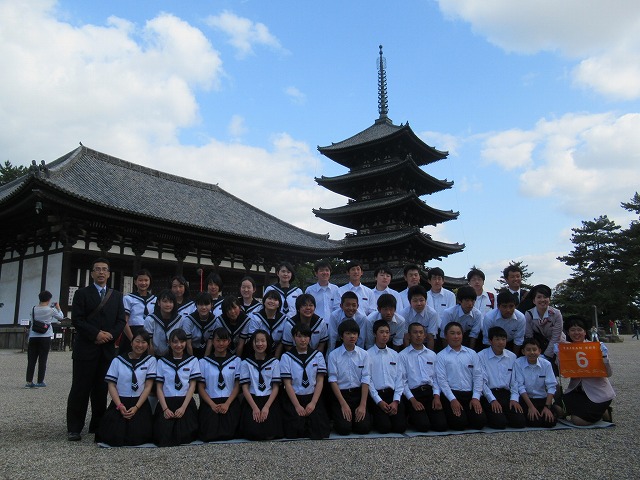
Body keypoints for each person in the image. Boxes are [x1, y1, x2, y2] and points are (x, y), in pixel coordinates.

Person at [66, 258, 126, 442]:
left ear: (109, 274)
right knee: (80, 388)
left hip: (106, 349)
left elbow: (121, 320)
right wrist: (96, 334)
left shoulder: (116, 296)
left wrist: (110, 335)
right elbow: (77, 319)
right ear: (92, 273)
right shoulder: (82, 294)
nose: (101, 272)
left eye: (104, 269)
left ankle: (97, 424)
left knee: (101, 389)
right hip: (86, 347)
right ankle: (74, 427)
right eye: (97, 269)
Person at [98, 330, 157, 446]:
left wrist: (136, 407)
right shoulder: (118, 361)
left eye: (144, 342)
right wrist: (119, 405)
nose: (140, 345)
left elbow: (148, 387)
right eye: (137, 341)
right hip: (120, 402)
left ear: (148, 345)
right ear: (131, 342)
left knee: (139, 435)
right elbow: (111, 385)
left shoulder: (150, 361)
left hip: (139, 403)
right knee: (112, 435)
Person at [555, 317, 615, 425]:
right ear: (568, 332)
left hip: (597, 393)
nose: (576, 333)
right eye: (572, 330)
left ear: (585, 332)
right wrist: (558, 357)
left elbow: (609, 373)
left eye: (579, 330)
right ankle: (592, 411)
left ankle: (604, 412)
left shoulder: (596, 347)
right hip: (577, 391)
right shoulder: (567, 349)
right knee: (557, 409)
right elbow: (563, 373)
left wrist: (604, 357)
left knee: (577, 421)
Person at [280, 323, 331, 439]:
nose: (303, 340)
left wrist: (313, 403)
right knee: (293, 430)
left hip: (313, 396)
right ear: (293, 338)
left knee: (319, 430)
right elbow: (287, 384)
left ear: (310, 338)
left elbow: (320, 381)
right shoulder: (286, 357)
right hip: (294, 397)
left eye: (306, 336)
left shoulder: (317, 355)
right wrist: (297, 406)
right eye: (299, 336)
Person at [435, 322, 486, 431]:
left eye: (459, 333)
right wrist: (452, 399)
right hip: (452, 394)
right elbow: (442, 381)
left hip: (470, 394)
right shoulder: (441, 356)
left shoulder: (472, 354)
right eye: (452, 333)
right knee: (459, 424)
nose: (456, 336)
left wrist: (476, 397)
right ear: (446, 336)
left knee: (480, 423)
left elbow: (478, 376)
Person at [154, 329, 201, 447]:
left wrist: (183, 408)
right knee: (162, 435)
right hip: (167, 402)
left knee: (186, 435)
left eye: (182, 342)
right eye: (175, 342)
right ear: (169, 343)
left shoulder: (192, 361)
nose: (179, 345)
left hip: (185, 402)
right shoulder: (162, 362)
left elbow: (192, 386)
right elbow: (159, 387)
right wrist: (165, 409)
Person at [398, 322, 447, 432]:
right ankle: (411, 416)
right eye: (415, 332)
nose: (418, 335)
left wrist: (436, 397)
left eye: (421, 332)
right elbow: (402, 382)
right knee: (423, 426)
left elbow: (436, 378)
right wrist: (413, 400)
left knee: (441, 426)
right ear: (409, 336)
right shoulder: (402, 356)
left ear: (425, 335)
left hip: (430, 393)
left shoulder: (432, 355)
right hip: (413, 394)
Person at [327, 319, 372, 435]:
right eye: (348, 333)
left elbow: (366, 379)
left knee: (363, 428)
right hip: (341, 395)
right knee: (344, 429)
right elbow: (333, 380)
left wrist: (363, 405)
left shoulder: (364, 354)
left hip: (358, 394)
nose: (352, 336)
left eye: (354, 333)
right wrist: (343, 404)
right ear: (341, 336)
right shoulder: (333, 355)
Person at [198, 327, 242, 441]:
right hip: (210, 402)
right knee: (209, 433)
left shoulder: (236, 361)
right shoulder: (203, 362)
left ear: (229, 342)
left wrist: (227, 404)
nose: (221, 344)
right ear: (212, 341)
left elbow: (237, 385)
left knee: (232, 433)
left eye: (224, 340)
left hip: (230, 401)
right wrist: (212, 405)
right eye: (218, 340)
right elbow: (201, 387)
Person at [477, 327, 526, 429]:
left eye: (503, 339)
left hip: (506, 394)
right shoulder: (481, 356)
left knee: (519, 422)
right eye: (497, 339)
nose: (501, 342)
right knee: (499, 423)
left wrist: (514, 399)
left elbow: (515, 381)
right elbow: (481, 382)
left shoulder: (512, 356)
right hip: (489, 393)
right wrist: (492, 400)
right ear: (490, 341)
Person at [239, 330, 284, 440]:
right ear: (252, 343)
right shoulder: (245, 363)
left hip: (269, 399)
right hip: (252, 399)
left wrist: (267, 407)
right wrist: (254, 408)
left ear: (267, 343)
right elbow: (245, 388)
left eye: (263, 341)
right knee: (252, 432)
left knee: (270, 432)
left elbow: (275, 387)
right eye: (257, 341)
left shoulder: (274, 362)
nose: (260, 344)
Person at [367, 320, 407, 434]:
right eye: (381, 332)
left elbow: (400, 379)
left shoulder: (395, 355)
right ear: (375, 334)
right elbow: (368, 381)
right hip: (377, 396)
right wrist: (379, 401)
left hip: (392, 395)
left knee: (400, 428)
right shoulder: (367, 355)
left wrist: (396, 401)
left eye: (387, 332)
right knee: (384, 428)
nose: (385, 335)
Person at [513, 337, 557, 428]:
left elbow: (551, 386)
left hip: (542, 399)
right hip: (526, 399)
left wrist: (547, 406)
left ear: (539, 351)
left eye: (534, 349)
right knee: (534, 422)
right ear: (523, 351)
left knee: (550, 422)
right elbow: (520, 386)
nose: (532, 352)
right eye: (528, 350)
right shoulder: (518, 363)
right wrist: (531, 407)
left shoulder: (546, 364)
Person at [25, 290, 64, 388]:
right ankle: (40, 381)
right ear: (49, 299)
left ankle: (29, 381)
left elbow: (32, 319)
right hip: (45, 336)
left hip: (33, 336)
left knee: (31, 360)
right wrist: (58, 308)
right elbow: (61, 317)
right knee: (42, 359)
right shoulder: (51, 310)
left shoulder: (33, 309)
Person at [524, 284, 565, 372]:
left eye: (545, 297)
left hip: (557, 345)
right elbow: (529, 336)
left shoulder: (556, 314)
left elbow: (556, 336)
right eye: (539, 297)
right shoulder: (528, 314)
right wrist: (536, 352)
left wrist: (546, 355)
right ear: (534, 301)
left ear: (549, 299)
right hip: (539, 345)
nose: (542, 300)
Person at [120, 269, 156, 356]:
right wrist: (133, 340)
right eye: (140, 280)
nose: (143, 283)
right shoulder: (128, 298)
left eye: (146, 280)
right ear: (135, 282)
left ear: (150, 282)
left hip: (149, 333)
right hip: (132, 332)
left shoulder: (155, 299)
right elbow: (124, 321)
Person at [439, 286, 483, 350]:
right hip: (450, 340)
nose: (470, 304)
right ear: (459, 301)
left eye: (472, 301)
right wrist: (447, 351)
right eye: (467, 300)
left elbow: (474, 335)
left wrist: (470, 352)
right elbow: (443, 334)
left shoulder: (477, 314)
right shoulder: (449, 313)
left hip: (467, 341)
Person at [247, 290, 288, 358]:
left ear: (279, 304)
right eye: (269, 298)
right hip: (257, 352)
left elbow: (282, 341)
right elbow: (253, 339)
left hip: (277, 353)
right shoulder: (256, 318)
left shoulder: (284, 319)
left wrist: (276, 357)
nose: (272, 301)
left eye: (275, 300)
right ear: (264, 301)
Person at [144, 290, 183, 357]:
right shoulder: (150, 319)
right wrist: (152, 359)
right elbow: (149, 343)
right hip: (155, 355)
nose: (168, 305)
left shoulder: (180, 319)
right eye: (165, 301)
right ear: (159, 303)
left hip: (174, 355)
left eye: (171, 302)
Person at [400, 285, 439, 351]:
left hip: (425, 343)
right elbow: (406, 337)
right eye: (415, 301)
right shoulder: (404, 313)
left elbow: (430, 337)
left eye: (421, 300)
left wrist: (429, 354)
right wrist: (408, 353)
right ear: (410, 302)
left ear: (426, 301)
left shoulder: (432, 313)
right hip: (410, 344)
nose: (419, 304)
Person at [184, 292, 217, 359]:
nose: (204, 307)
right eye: (201, 304)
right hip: (191, 351)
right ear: (196, 305)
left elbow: (210, 343)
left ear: (212, 305)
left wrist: (205, 360)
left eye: (206, 304)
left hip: (208, 352)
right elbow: (188, 344)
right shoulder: (188, 320)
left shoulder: (214, 320)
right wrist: (192, 360)